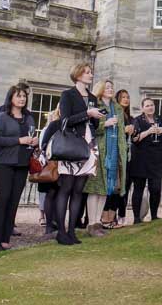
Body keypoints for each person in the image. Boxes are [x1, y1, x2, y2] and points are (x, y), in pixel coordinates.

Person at [54, 63, 103, 246]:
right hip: (71, 145)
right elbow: (65, 121)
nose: (91, 75)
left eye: (91, 72)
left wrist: (95, 117)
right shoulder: (67, 95)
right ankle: (61, 231)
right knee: (66, 188)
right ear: (78, 75)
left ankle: (72, 231)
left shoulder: (92, 97)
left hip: (88, 145)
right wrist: (86, 113)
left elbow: (94, 125)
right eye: (87, 72)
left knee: (78, 191)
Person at [0, 84, 37, 252]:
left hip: (22, 163)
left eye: (24, 96)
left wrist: (33, 141)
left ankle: (5, 238)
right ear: (11, 98)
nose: (22, 99)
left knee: (14, 201)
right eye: (18, 96)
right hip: (3, 163)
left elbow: (31, 136)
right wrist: (19, 140)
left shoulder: (29, 118)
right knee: (1, 200)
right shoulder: (2, 117)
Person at [84, 80, 127, 236]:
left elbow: (121, 132)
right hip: (98, 152)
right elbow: (89, 129)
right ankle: (91, 224)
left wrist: (124, 151)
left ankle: (98, 222)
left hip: (114, 152)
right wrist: (105, 124)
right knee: (95, 188)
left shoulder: (118, 109)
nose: (110, 89)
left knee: (106, 190)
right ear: (101, 90)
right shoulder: (94, 106)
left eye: (111, 87)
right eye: (107, 87)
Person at [129, 98, 162, 224]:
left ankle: (154, 216)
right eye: (147, 105)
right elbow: (134, 139)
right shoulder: (137, 120)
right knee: (139, 188)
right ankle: (136, 218)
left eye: (152, 105)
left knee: (156, 188)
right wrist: (148, 132)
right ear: (142, 108)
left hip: (156, 159)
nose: (150, 107)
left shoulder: (161, 120)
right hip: (140, 159)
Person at [102, 88, 135, 227]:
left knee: (121, 187)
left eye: (127, 97)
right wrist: (124, 131)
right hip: (114, 154)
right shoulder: (113, 112)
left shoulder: (130, 117)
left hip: (126, 156)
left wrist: (133, 132)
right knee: (112, 186)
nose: (126, 99)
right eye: (123, 97)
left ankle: (115, 216)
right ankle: (105, 218)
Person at [37, 108, 61, 239]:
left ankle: (56, 221)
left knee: (60, 193)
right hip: (51, 163)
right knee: (51, 193)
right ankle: (49, 225)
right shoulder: (53, 126)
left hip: (64, 163)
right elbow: (43, 145)